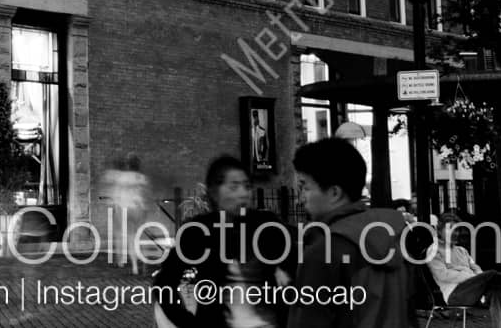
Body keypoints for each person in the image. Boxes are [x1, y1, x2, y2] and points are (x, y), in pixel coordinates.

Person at [154, 155, 292, 328]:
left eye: (247, 186)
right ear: (214, 192)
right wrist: (189, 323)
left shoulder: (266, 225)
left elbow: (295, 266)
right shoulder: (198, 231)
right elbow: (164, 284)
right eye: (233, 187)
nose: (243, 193)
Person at [288, 137, 411, 328]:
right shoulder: (396, 239)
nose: (300, 198)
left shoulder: (323, 252)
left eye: (305, 187)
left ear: (334, 193)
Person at [426, 208, 501, 328]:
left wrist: (479, 280)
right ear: (440, 230)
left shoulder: (462, 250)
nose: (455, 233)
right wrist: (474, 278)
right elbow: (443, 275)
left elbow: (475, 267)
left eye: (457, 230)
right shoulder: (434, 250)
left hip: (474, 291)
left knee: (495, 292)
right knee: (492, 274)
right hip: (455, 294)